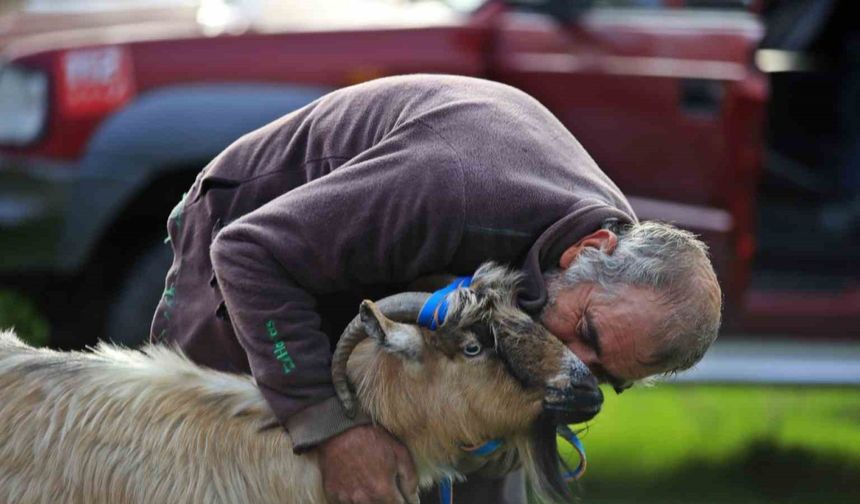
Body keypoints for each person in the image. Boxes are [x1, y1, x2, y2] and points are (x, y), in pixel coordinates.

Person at [151, 74, 721, 504]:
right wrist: (329, 429)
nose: (570, 365)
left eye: (601, 373)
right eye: (585, 333)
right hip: (251, 242)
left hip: (375, 272)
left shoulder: (599, 264)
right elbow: (249, 253)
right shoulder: (460, 189)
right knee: (220, 471)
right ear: (587, 250)